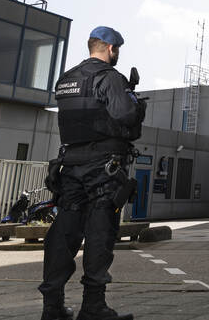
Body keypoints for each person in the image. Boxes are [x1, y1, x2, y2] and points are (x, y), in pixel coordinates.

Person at [39, 27, 146, 320]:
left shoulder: (66, 79)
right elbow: (125, 115)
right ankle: (93, 306)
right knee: (100, 232)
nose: (117, 55)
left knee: (63, 233)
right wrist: (136, 103)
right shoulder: (110, 78)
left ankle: (52, 307)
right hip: (103, 167)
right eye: (117, 50)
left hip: (70, 165)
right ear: (110, 48)